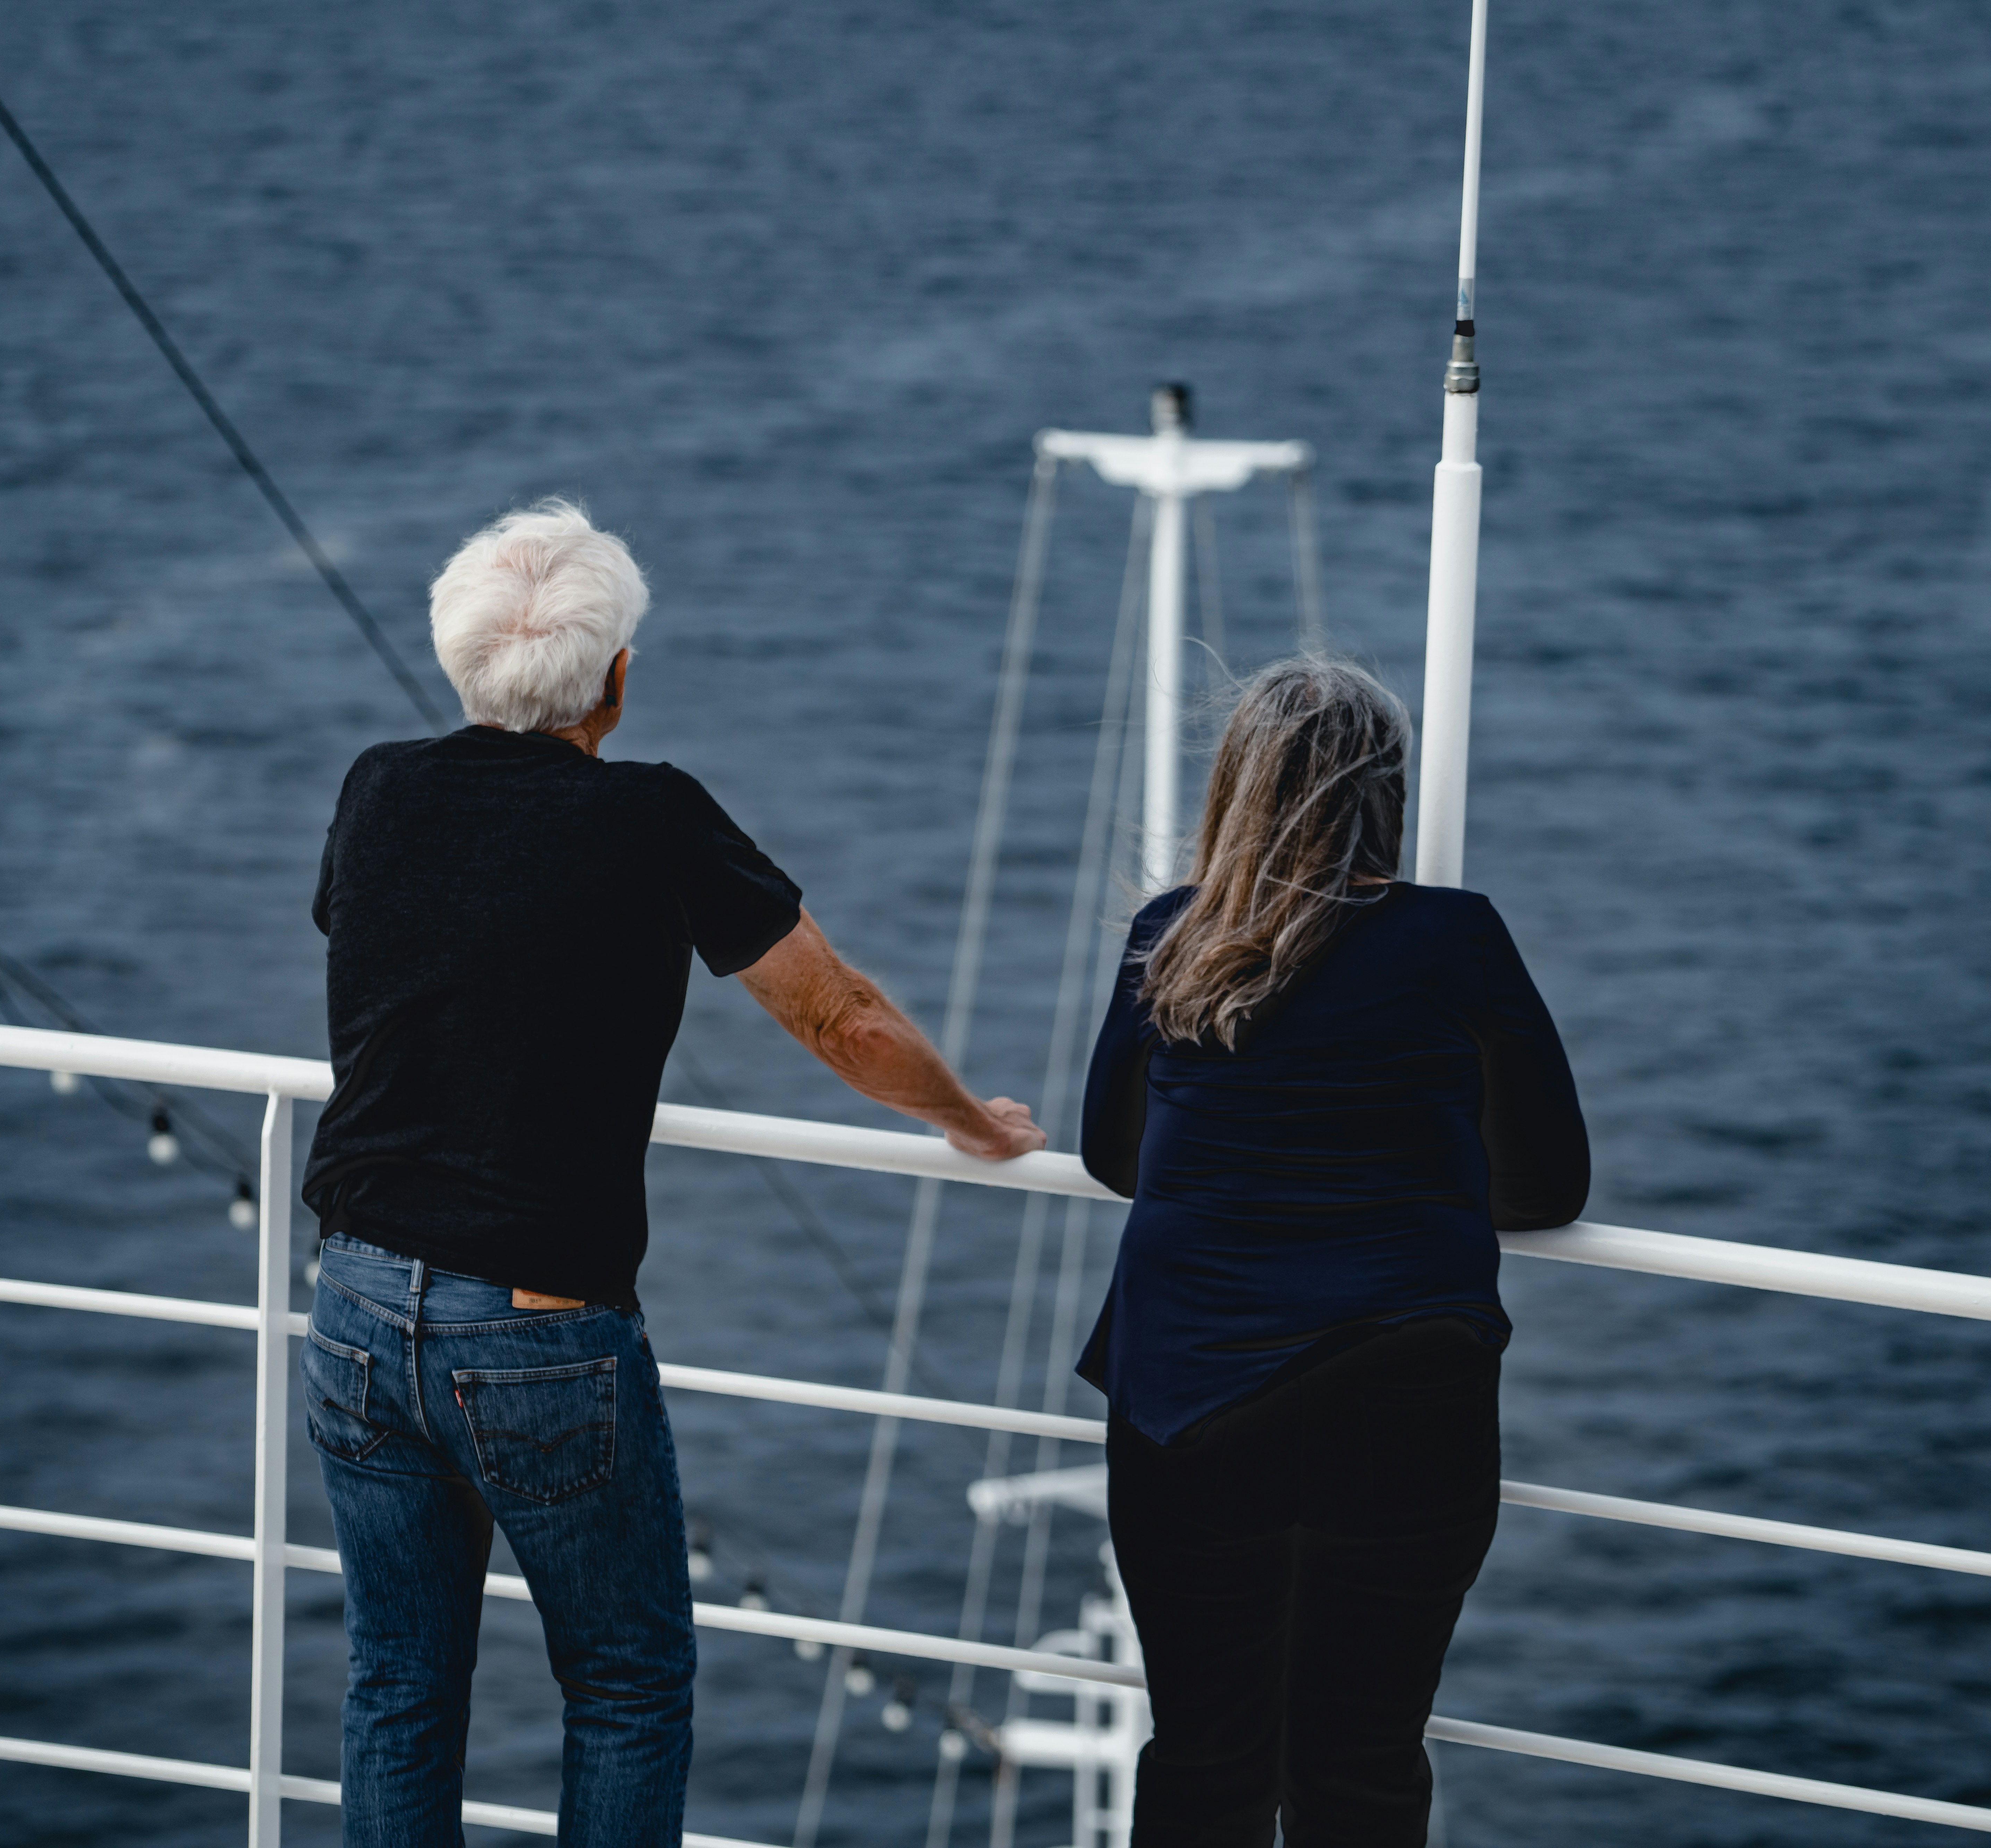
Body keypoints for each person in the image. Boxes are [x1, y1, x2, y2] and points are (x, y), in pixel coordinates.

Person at [299, 499, 1042, 1848]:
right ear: (616, 681)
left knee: (400, 1681)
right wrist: (971, 1124)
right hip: (534, 1322)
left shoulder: (376, 785)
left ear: (459, 662)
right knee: (628, 1684)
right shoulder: (649, 818)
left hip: (352, 1297)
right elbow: (842, 1018)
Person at [1076, 656, 1587, 1848]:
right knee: (1360, 1769)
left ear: (1236, 790)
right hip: (1406, 1396)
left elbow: (1116, 1157)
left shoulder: (1178, 937)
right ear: (1387, 796)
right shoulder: (1457, 939)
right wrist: (1417, 1178)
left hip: (1189, 1409)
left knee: (1204, 1759)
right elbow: (1553, 1188)